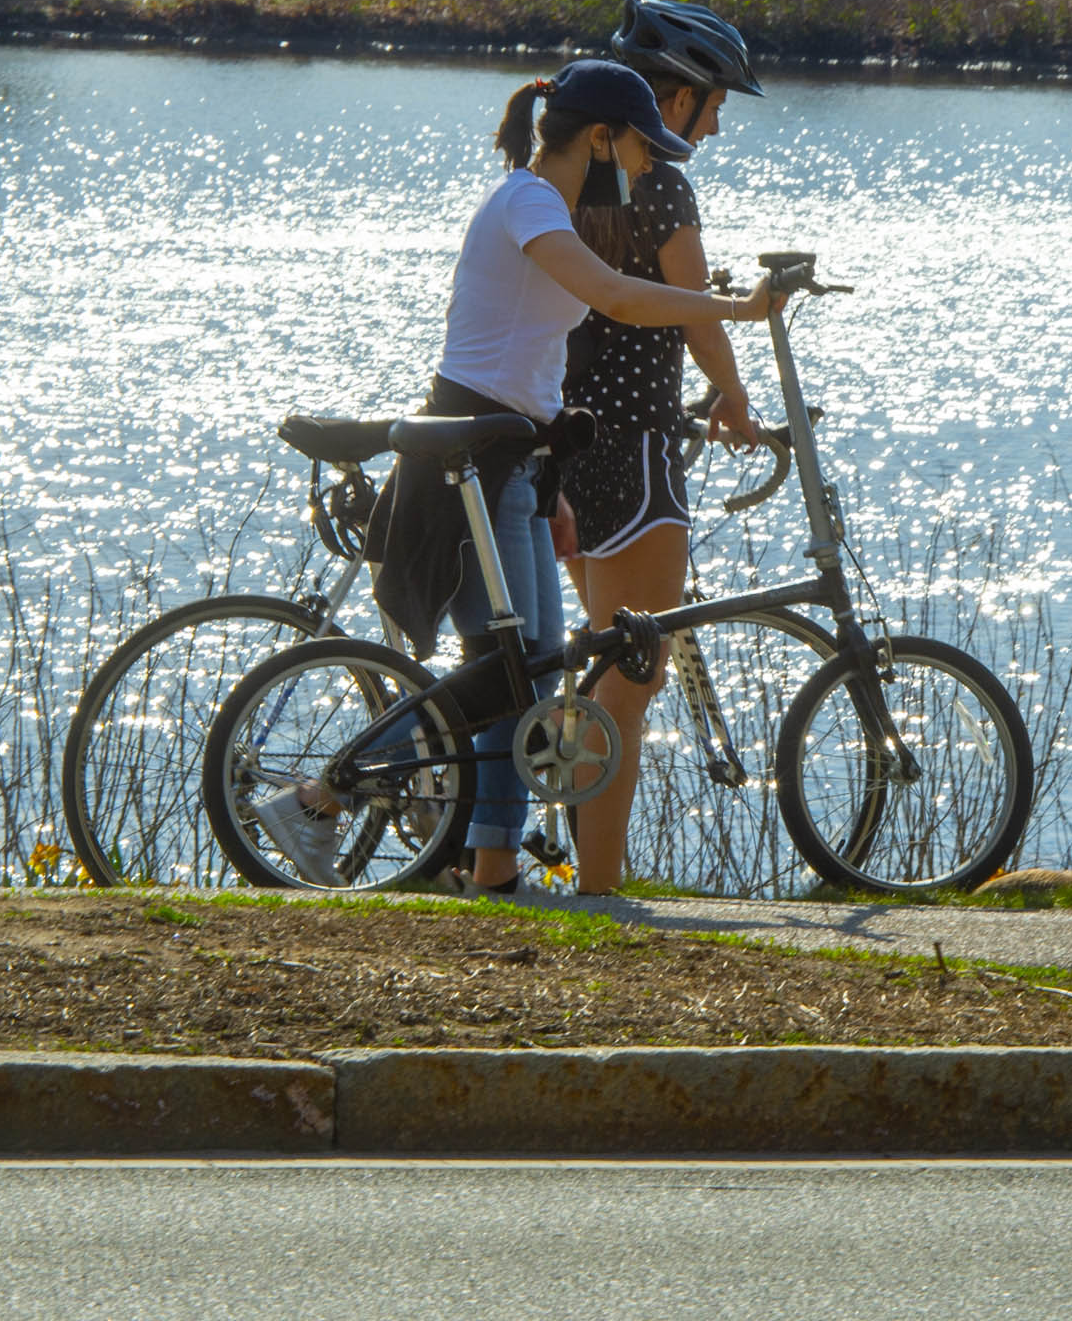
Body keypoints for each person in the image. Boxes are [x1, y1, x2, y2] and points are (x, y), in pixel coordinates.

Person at [251, 60, 783, 898]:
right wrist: (740, 312)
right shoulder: (530, 202)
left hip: (517, 456)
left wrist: (553, 480)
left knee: (530, 674)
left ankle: (495, 872)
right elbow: (617, 298)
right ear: (600, 138)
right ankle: (320, 797)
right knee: (509, 670)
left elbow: (533, 365)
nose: (651, 166)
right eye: (644, 147)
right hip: (467, 456)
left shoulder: (552, 208)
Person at [557, 0, 770, 897]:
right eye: (714, 102)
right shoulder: (665, 183)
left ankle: (576, 874)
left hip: (560, 441)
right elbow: (687, 313)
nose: (717, 125)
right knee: (630, 683)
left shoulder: (572, 179)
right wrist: (734, 391)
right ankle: (600, 895)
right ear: (675, 99)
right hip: (637, 445)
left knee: (594, 667)